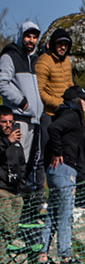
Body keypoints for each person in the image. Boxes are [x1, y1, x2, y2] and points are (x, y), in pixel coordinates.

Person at [41, 84, 85, 264]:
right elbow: (53, 129)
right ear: (77, 101)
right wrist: (58, 152)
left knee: (52, 214)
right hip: (64, 171)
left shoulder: (63, 113)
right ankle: (65, 258)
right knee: (65, 214)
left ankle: (42, 257)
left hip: (55, 171)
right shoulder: (72, 115)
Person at [0, 22, 44, 180]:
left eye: (34, 37)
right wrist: (21, 102)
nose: (31, 40)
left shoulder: (36, 61)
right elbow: (2, 83)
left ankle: (21, 191)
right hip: (18, 118)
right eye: (28, 36)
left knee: (28, 162)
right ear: (21, 36)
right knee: (15, 160)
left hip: (34, 120)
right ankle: (10, 191)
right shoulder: (9, 57)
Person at [0, 106, 27, 242]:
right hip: (2, 191)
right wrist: (7, 141)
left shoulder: (16, 144)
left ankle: (4, 253)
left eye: (10, 122)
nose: (8, 125)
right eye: (4, 122)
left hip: (16, 192)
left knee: (10, 232)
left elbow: (22, 165)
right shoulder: (5, 141)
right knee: (7, 227)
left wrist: (22, 184)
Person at [34, 28, 74, 112]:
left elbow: (70, 84)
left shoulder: (66, 61)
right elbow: (38, 91)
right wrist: (59, 103)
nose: (63, 47)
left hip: (66, 109)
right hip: (49, 112)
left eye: (66, 44)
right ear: (53, 44)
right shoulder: (43, 62)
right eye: (60, 44)